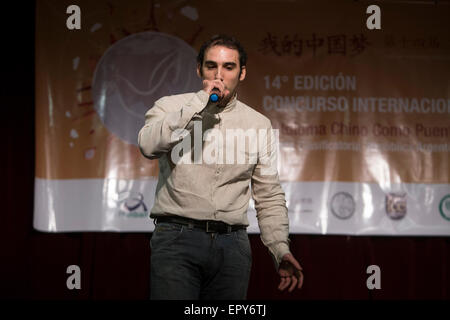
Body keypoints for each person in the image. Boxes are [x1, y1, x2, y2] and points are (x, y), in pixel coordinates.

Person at [138, 34, 304, 300]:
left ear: (242, 73)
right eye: (211, 66)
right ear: (199, 69)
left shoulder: (258, 124)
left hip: (232, 245)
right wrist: (198, 103)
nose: (219, 74)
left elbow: (268, 194)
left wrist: (279, 248)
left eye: (228, 67)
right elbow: (148, 145)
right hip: (177, 238)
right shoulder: (169, 106)